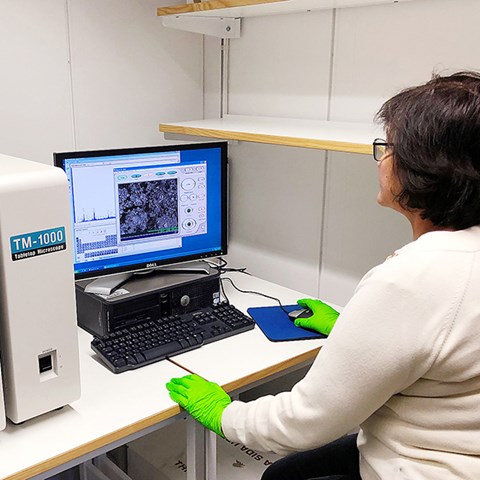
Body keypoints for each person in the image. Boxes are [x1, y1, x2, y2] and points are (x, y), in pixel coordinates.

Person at [166, 71, 480, 479]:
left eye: (388, 147)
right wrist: (353, 331)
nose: (382, 159)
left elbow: (305, 422)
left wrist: (224, 414)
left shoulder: (412, 280)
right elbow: (447, 342)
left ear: (426, 168)